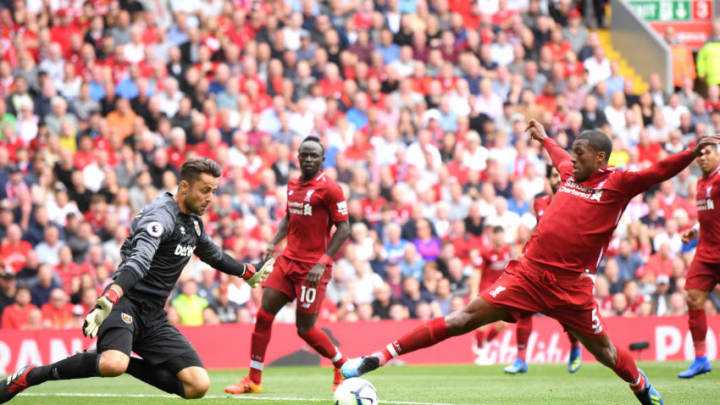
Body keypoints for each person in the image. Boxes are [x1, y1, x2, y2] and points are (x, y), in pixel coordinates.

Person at [342, 120, 720, 405]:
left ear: (600, 157)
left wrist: (690, 153)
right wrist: (544, 139)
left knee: (604, 352)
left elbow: (658, 171)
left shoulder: (618, 183)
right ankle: (379, 357)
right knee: (462, 319)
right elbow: (557, 155)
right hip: (528, 274)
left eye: (581, 152)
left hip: (572, 287)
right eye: (572, 152)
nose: (572, 158)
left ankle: (642, 387)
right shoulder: (570, 174)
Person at [0, 158, 274, 403]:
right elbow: (139, 260)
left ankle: (123, 359)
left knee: (197, 386)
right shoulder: (160, 217)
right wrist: (111, 296)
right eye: (206, 190)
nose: (211, 198)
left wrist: (247, 273)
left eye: (214, 191)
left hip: (154, 315)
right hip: (124, 303)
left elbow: (214, 255)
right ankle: (30, 376)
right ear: (185, 187)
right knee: (111, 365)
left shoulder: (193, 223)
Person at [225, 136, 351, 395]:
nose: (307, 159)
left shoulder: (330, 189)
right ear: (298, 157)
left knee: (305, 330)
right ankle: (253, 379)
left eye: (313, 155)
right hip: (288, 261)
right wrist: (274, 241)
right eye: (304, 154)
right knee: (263, 314)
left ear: (322, 160)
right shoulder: (293, 185)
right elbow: (289, 217)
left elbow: (344, 227)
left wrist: (323, 261)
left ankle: (342, 364)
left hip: (312, 269)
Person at [504, 165, 583, 375]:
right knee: (523, 310)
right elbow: (538, 229)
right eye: (554, 176)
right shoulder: (539, 203)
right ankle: (521, 359)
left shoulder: (577, 203)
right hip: (537, 266)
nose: (558, 179)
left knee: (566, 316)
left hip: (562, 268)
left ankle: (575, 347)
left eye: (561, 176)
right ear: (548, 180)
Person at [677, 141, 720, 378]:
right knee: (693, 297)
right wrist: (695, 229)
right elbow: (711, 213)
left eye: (708, 153)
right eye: (699, 154)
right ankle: (701, 359)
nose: (702, 157)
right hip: (705, 252)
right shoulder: (701, 182)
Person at [470, 226, 510, 364]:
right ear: (492, 237)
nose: (499, 238)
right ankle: (481, 353)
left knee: (503, 323)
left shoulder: (508, 252)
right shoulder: (485, 252)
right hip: (486, 291)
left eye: (501, 235)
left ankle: (484, 346)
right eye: (497, 235)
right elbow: (477, 272)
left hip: (501, 291)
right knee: (484, 322)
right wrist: (474, 292)